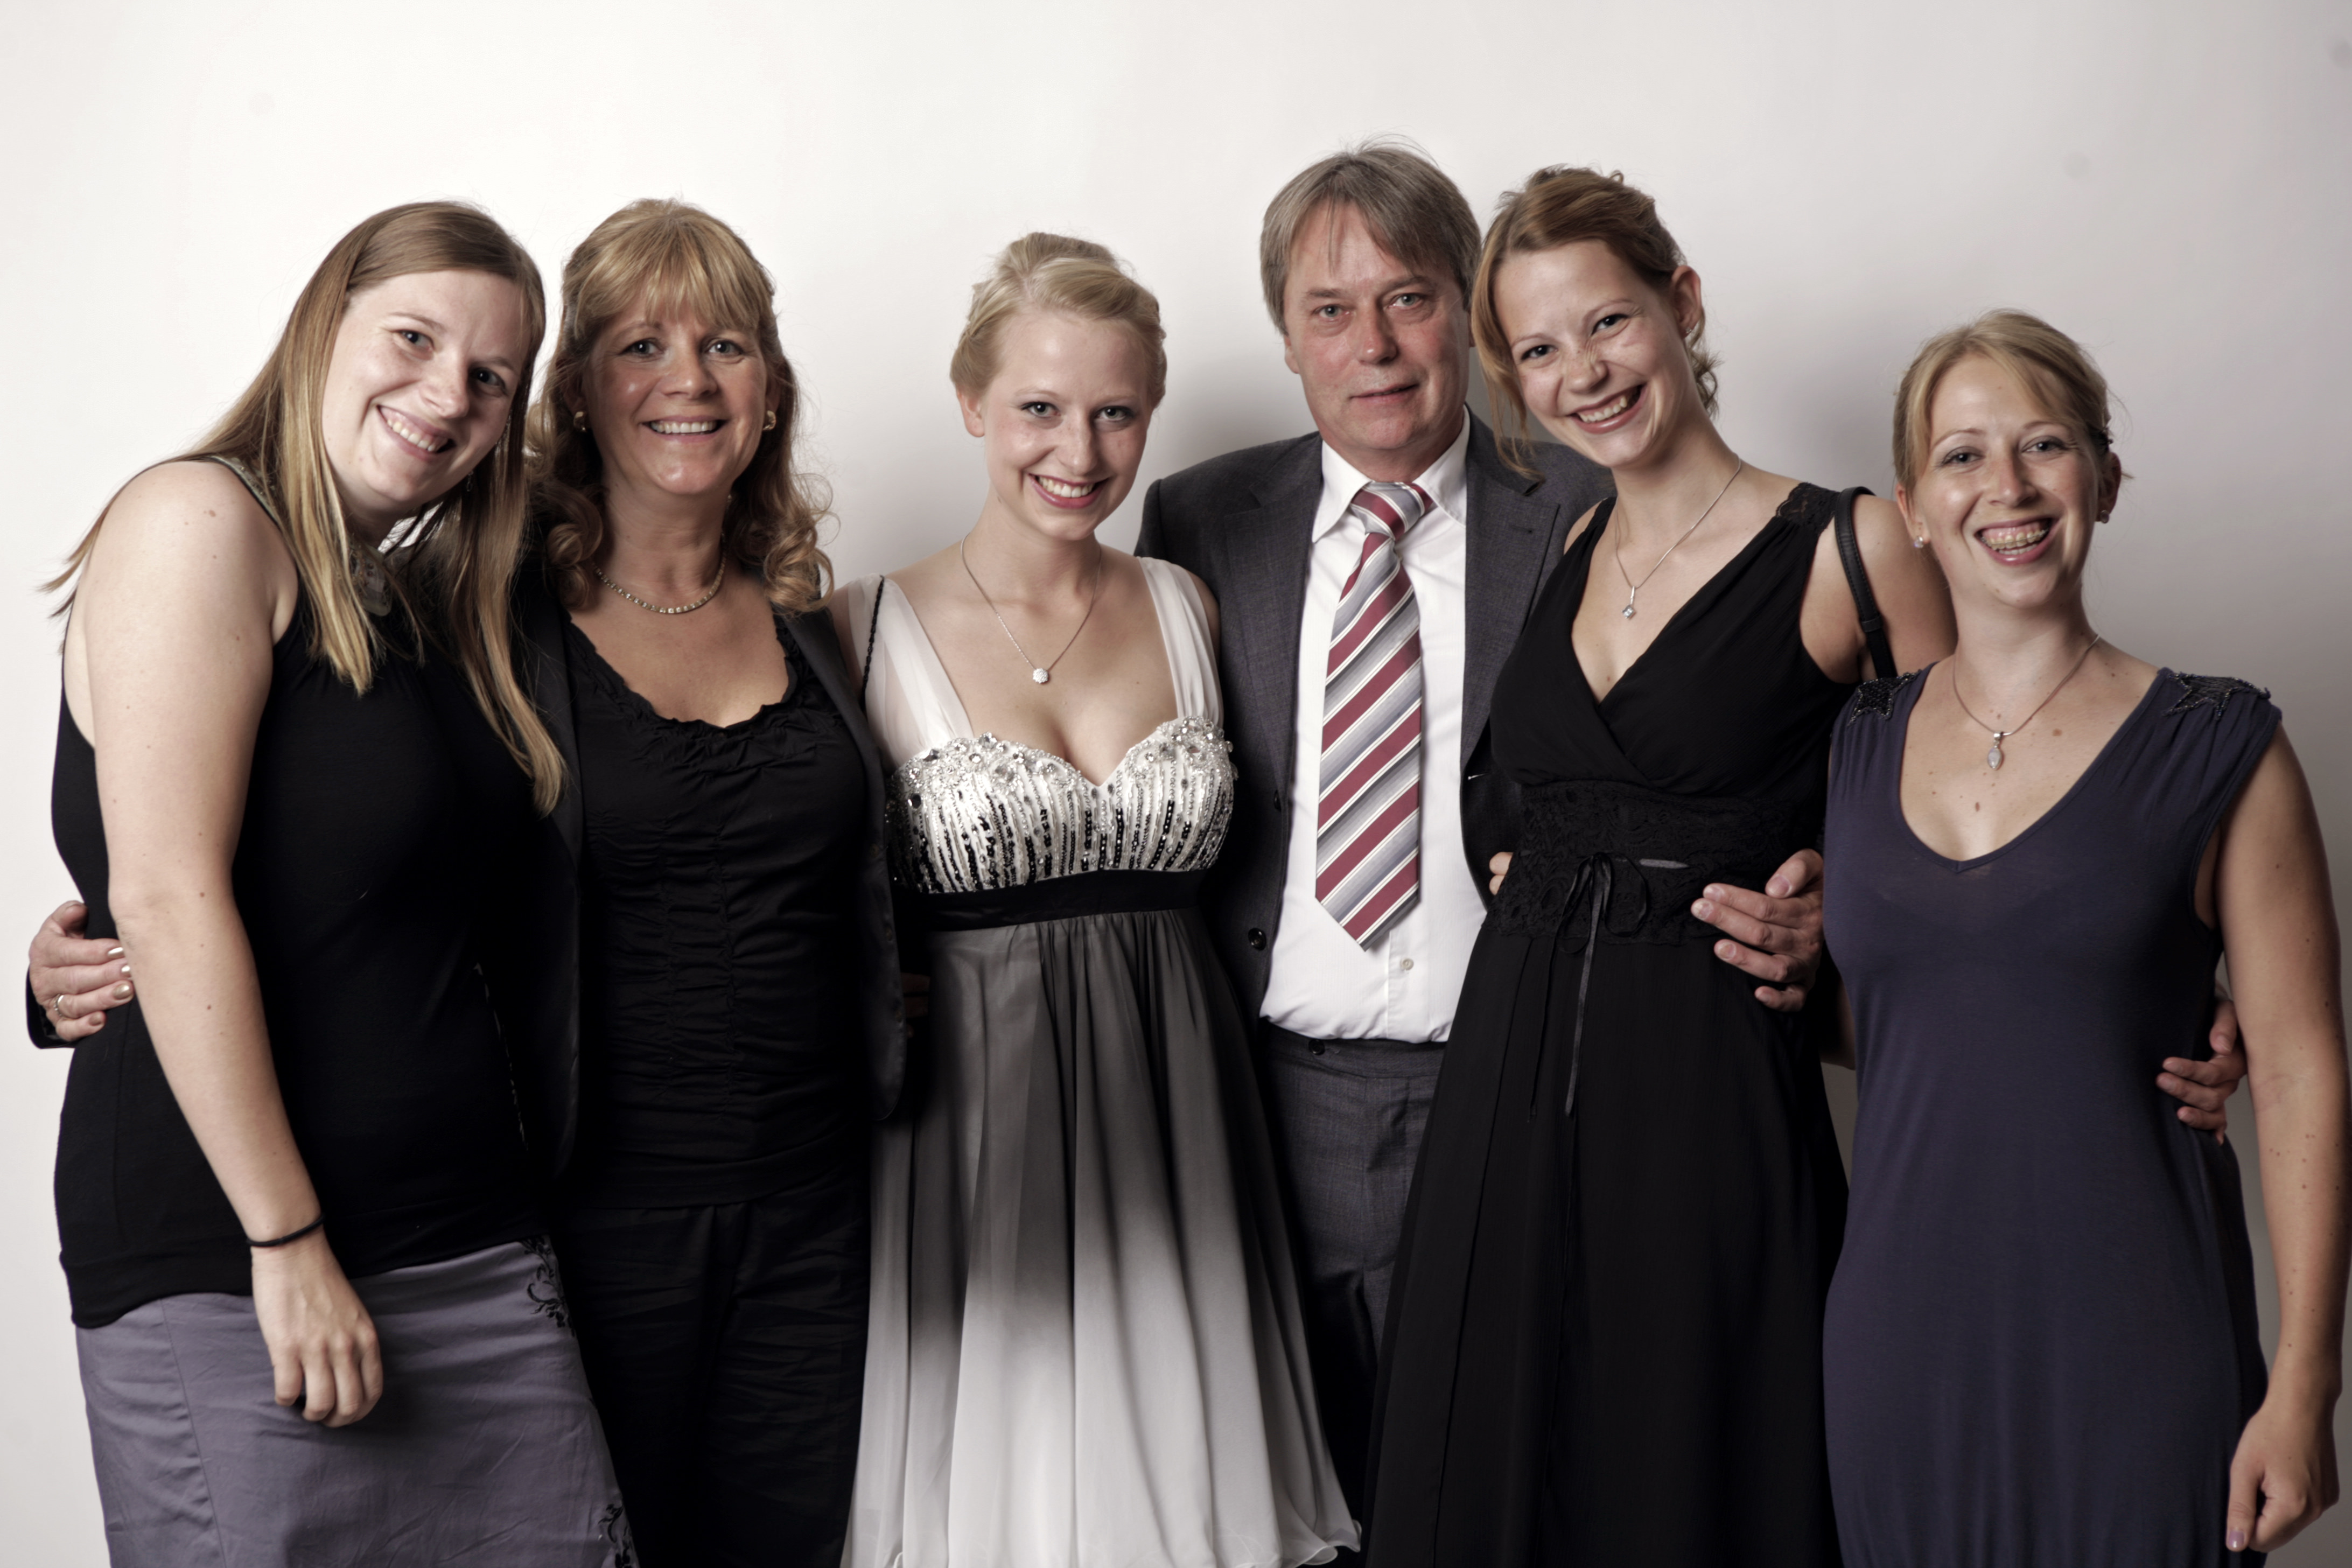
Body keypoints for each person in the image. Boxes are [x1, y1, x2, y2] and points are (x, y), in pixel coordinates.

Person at [1136, 140, 1821, 1520]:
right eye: (1330, 310)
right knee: (1267, 1510)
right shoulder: (1200, 520)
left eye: (1410, 298)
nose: (1375, 345)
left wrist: (1835, 908)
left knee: (1516, 1498)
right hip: (1263, 1106)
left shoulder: (1589, 500)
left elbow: (1792, 741)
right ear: (1286, 337)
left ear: (1471, 316)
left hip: (1529, 1091)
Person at [1359, 164, 1954, 1567]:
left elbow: (1977, 820)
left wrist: (1841, 914)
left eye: (1608, 322)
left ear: (1681, 303)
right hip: (1507, 1100)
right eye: (1539, 350)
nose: (1582, 373)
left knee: (1689, 1473)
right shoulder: (1571, 540)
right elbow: (1514, 798)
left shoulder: (1851, 545)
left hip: (1706, 1104)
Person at [38, 202, 629, 1565]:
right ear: (323, 324)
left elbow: (380, 907)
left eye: (492, 376)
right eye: (413, 339)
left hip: (468, 1238)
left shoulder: (408, 599)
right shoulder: (196, 520)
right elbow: (168, 895)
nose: (448, 395)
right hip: (238, 1260)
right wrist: (287, 1239)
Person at [835, 232, 1355, 1568]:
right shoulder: (858, 625)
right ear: (971, 403)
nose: (1080, 450)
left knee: (1188, 1488)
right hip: (972, 1131)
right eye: (1040, 408)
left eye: (1117, 412)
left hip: (1186, 1119)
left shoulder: (1190, 605)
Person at [1821, 311, 2348, 1565]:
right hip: (1898, 1351)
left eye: (2044, 444)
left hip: (2138, 1344)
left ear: (2104, 479)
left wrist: (2305, 1387)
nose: (2006, 486)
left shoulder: (2222, 745)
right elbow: (1901, 1017)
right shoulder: (1851, 743)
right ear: (1912, 508)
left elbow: (2298, 1072)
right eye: (1962, 455)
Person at [509, 199, 901, 1568]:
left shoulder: (818, 622)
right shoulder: (497, 626)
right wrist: (97, 939)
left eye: (726, 345)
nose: (688, 379)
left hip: (819, 1212)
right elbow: (347, 834)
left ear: (770, 387)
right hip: (593, 1218)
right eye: (641, 346)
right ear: (577, 391)